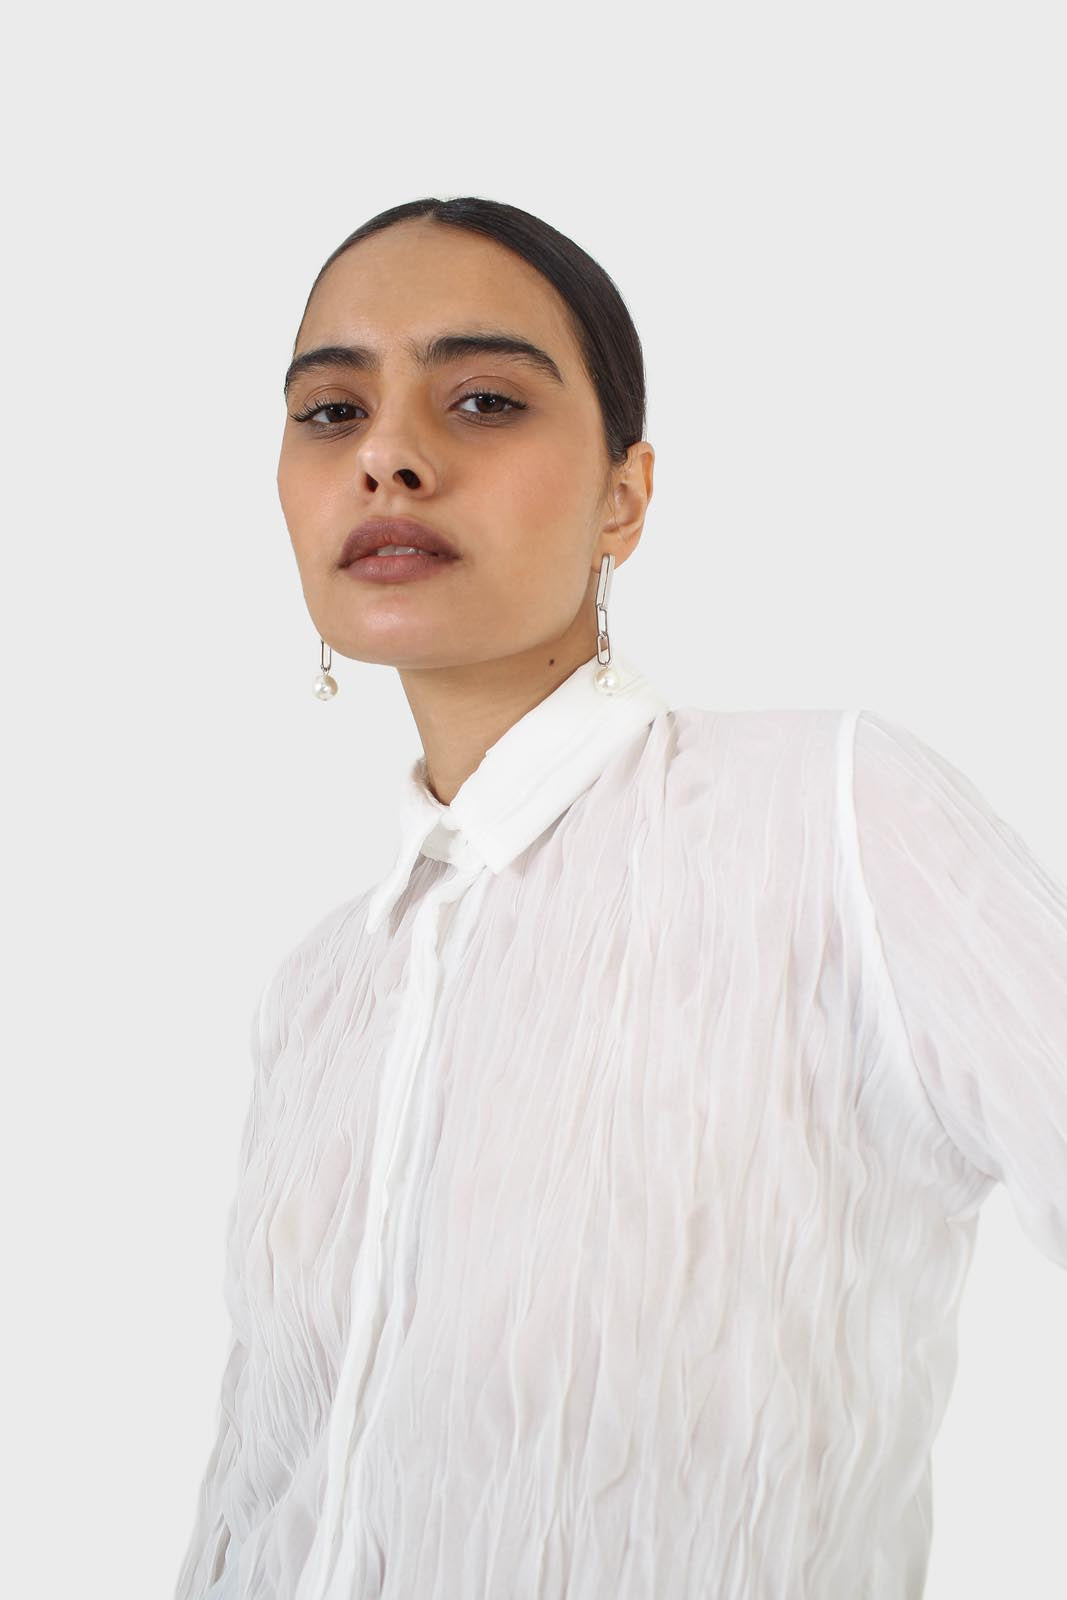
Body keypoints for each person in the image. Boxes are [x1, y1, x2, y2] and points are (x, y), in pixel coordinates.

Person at [173, 196, 1067, 1600]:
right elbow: (258, 1491)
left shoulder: (831, 820)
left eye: (483, 400)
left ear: (624, 497)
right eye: (331, 413)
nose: (389, 456)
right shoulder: (324, 987)